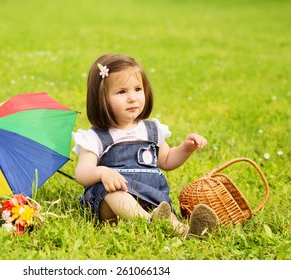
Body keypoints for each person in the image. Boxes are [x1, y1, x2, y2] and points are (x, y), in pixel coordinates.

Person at [72, 53, 218, 237]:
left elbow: (166, 160)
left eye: (138, 89)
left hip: (150, 197)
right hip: (111, 206)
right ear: (101, 99)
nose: (132, 97)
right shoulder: (96, 137)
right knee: (115, 194)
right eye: (121, 92)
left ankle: (186, 231)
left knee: (164, 210)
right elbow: (82, 173)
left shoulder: (152, 130)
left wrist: (186, 148)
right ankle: (149, 223)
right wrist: (102, 172)